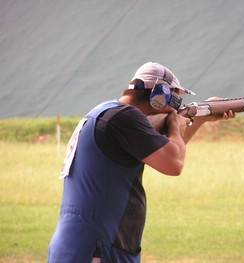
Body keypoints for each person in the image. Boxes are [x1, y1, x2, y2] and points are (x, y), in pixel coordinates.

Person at [48, 62, 234, 263]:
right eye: (175, 98)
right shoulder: (124, 117)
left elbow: (166, 150)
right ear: (160, 95)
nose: (176, 106)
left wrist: (201, 117)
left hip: (85, 244)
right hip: (99, 248)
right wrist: (174, 125)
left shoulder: (107, 114)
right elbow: (173, 163)